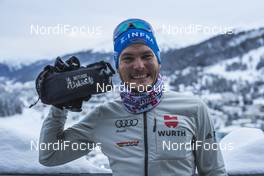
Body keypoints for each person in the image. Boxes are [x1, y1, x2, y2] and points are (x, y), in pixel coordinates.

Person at [39, 18, 227, 176]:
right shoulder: (104, 116)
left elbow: (214, 172)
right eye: (128, 58)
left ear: (158, 60)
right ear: (118, 65)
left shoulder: (193, 109)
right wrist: (59, 105)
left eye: (146, 56)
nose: (138, 66)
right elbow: (50, 155)